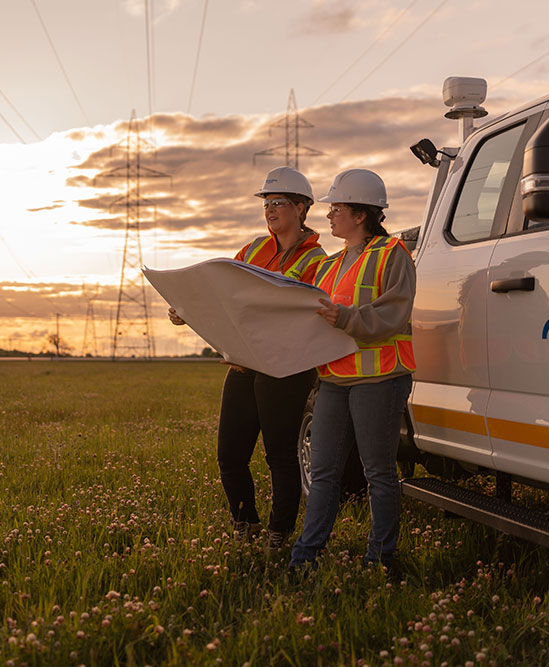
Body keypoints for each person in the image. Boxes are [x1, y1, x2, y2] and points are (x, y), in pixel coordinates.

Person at [168, 166, 326, 548]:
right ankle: (246, 524)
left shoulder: (317, 260)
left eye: (278, 202)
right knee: (230, 455)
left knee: (280, 457)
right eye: (266, 203)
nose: (269, 210)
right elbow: (225, 297)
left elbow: (311, 319)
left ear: (301, 207)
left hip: (286, 370)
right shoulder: (253, 250)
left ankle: (278, 533)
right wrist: (189, 310)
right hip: (242, 365)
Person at [289, 168, 416, 571]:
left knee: (378, 472)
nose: (328, 215)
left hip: (379, 379)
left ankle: (380, 559)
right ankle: (304, 558)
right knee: (323, 472)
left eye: (336, 208)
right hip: (333, 380)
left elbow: (393, 314)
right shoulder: (329, 265)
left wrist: (344, 318)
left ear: (360, 214)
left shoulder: (392, 253)